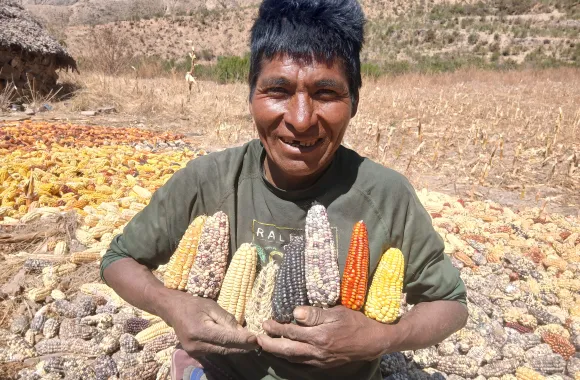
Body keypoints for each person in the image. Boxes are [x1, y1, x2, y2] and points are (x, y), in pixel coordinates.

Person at [101, 0, 468, 379]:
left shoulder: (386, 196)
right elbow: (118, 260)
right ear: (251, 96)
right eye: (278, 90)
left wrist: (380, 338)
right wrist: (171, 305)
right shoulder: (208, 180)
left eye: (325, 94)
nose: (300, 119)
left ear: (354, 101)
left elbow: (451, 303)